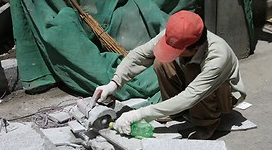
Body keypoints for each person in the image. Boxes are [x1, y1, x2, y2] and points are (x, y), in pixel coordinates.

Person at [90, 10, 246, 139]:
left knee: (193, 71)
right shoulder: (176, 35)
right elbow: (140, 55)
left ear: (194, 48)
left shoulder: (218, 56)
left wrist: (140, 114)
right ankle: (176, 110)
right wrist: (114, 83)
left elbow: (191, 96)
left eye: (178, 50)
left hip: (219, 95)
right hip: (193, 87)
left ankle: (207, 123)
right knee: (161, 61)